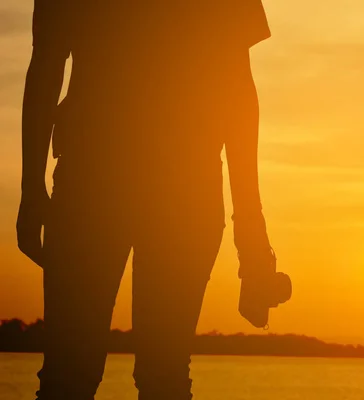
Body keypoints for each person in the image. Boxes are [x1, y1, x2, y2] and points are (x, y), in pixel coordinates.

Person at [16, 0, 274, 399]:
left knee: (94, 377)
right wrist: (30, 187)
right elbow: (238, 88)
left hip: (142, 187)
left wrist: (32, 187)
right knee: (137, 377)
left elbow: (237, 88)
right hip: (118, 184)